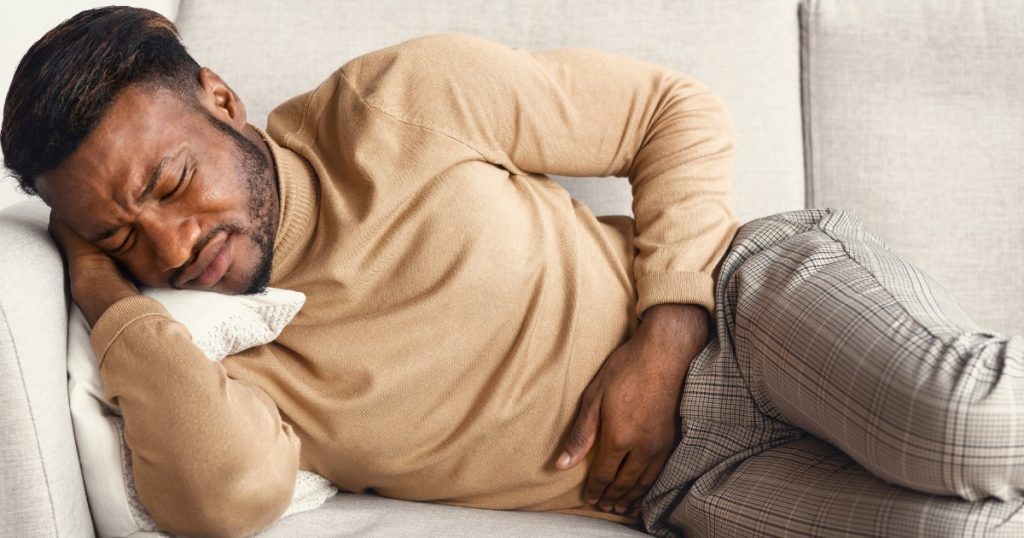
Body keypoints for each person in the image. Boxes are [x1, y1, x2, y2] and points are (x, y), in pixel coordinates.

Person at [2, 6, 1021, 538]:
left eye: (174, 182)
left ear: (220, 99)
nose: (173, 244)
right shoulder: (226, 351)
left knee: (971, 421)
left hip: (744, 306)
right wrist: (105, 297)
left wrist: (666, 331)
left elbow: (672, 111)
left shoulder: (395, 102)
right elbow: (222, 500)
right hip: (686, 486)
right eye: (122, 234)